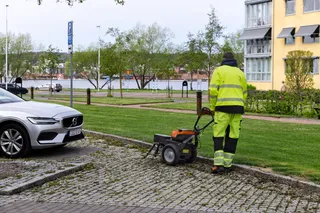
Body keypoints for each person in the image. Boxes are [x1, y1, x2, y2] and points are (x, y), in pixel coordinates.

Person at [209, 52, 247, 174]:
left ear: (223, 60)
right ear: (234, 60)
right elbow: (244, 93)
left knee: (218, 134)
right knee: (233, 135)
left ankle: (218, 164)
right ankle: (227, 164)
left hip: (223, 108)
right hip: (238, 108)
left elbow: (213, 91)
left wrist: (212, 107)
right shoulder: (241, 73)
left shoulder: (219, 71)